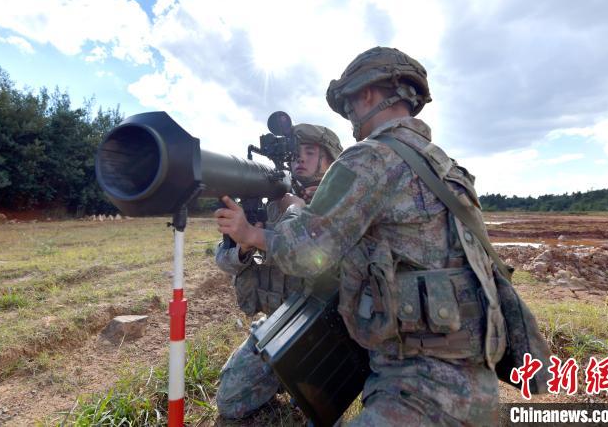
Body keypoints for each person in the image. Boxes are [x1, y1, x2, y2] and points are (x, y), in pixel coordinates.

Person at [215, 47, 507, 426]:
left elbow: (307, 254)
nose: (351, 117)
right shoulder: (446, 167)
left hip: (415, 373)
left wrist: (265, 229)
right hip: (464, 354)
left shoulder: (366, 161)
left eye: (350, 104)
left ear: (366, 93)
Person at [214, 122, 343, 419]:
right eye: (297, 153)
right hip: (277, 325)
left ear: (331, 161)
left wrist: (292, 214)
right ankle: (281, 376)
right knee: (230, 402)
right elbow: (223, 260)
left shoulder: (338, 206)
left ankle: (295, 377)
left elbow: (317, 258)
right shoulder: (270, 204)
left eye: (310, 153)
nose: (300, 159)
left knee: (320, 410)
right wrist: (244, 247)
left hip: (322, 329)